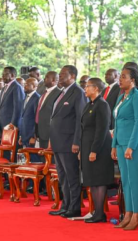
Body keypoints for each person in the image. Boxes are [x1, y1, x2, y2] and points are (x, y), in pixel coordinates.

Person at [111, 67, 138, 230]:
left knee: (134, 179)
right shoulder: (121, 97)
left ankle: (136, 215)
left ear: (133, 80)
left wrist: (131, 147)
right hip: (120, 142)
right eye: (120, 76)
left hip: (134, 144)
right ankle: (128, 212)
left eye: (124, 77)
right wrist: (114, 145)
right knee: (125, 180)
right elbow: (117, 123)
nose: (120, 79)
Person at [48, 65, 86, 218]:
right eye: (60, 73)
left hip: (69, 142)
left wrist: (77, 142)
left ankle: (75, 207)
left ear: (73, 76)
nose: (60, 76)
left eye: (63, 74)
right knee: (62, 177)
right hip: (58, 142)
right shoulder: (62, 93)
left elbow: (79, 120)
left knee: (72, 177)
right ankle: (65, 205)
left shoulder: (77, 92)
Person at [81, 78, 114, 223]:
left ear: (96, 89)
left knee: (99, 180)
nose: (85, 89)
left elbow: (101, 130)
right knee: (92, 180)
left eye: (88, 86)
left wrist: (94, 150)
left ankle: (100, 213)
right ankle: (96, 212)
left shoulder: (102, 105)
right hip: (88, 145)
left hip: (99, 147)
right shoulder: (90, 104)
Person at [0, 66, 25, 140]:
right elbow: (1, 109)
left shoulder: (17, 87)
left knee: (12, 150)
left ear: (12, 75)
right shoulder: (4, 88)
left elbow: (18, 109)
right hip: (3, 125)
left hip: (11, 126)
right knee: (4, 150)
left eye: (5, 74)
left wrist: (12, 124)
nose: (2, 76)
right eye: (2, 74)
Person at [36, 71, 61, 149]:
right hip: (41, 131)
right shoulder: (44, 93)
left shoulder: (58, 93)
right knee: (42, 157)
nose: (44, 79)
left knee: (49, 158)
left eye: (47, 77)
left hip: (50, 132)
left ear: (53, 80)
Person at [19, 78, 40, 155]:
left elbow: (37, 118)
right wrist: (21, 135)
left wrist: (34, 136)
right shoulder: (25, 97)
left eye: (27, 85)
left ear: (34, 86)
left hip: (31, 136)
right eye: (24, 84)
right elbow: (23, 117)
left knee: (32, 160)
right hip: (24, 134)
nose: (25, 86)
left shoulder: (37, 98)